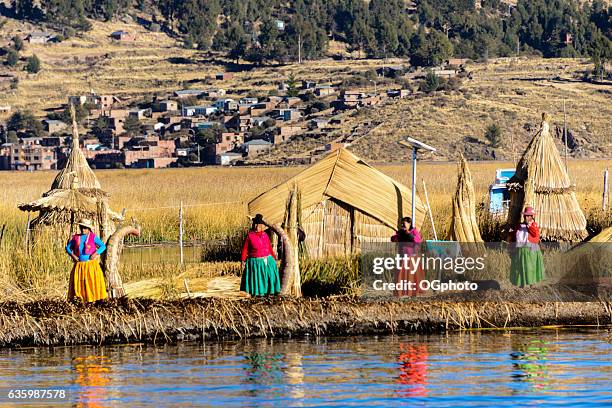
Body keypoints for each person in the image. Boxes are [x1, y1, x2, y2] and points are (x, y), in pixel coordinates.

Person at [66, 218, 108, 302]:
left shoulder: (93, 237)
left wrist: (96, 253)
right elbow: (68, 248)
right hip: (80, 265)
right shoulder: (76, 238)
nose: (83, 229)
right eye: (81, 227)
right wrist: (73, 255)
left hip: (91, 265)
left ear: (89, 229)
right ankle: (81, 300)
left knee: (91, 282)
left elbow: (103, 246)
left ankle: (93, 300)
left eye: (85, 228)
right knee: (80, 283)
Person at [240, 214, 281, 296]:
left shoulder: (265, 235)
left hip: (268, 261)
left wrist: (274, 258)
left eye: (258, 224)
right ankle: (257, 295)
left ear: (262, 226)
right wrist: (243, 261)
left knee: (269, 278)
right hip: (256, 262)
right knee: (258, 280)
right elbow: (245, 249)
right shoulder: (250, 236)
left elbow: (269, 248)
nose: (256, 226)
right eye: (255, 224)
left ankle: (269, 294)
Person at [508, 206, 545, 287]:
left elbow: (535, 234)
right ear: (524, 216)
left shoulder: (534, 225)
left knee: (530, 268)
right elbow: (513, 237)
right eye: (526, 215)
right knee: (520, 268)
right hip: (520, 250)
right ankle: (522, 286)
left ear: (532, 217)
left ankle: (532, 286)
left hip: (531, 250)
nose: (527, 217)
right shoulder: (519, 226)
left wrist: (529, 225)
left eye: (529, 216)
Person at [391, 216, 424, 297]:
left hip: (412, 258)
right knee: (401, 276)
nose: (402, 225)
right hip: (403, 258)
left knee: (412, 277)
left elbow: (418, 240)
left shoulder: (414, 232)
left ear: (409, 224)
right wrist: (399, 236)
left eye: (404, 223)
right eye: (402, 223)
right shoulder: (400, 232)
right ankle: (401, 293)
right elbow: (393, 239)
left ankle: (413, 293)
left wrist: (409, 235)